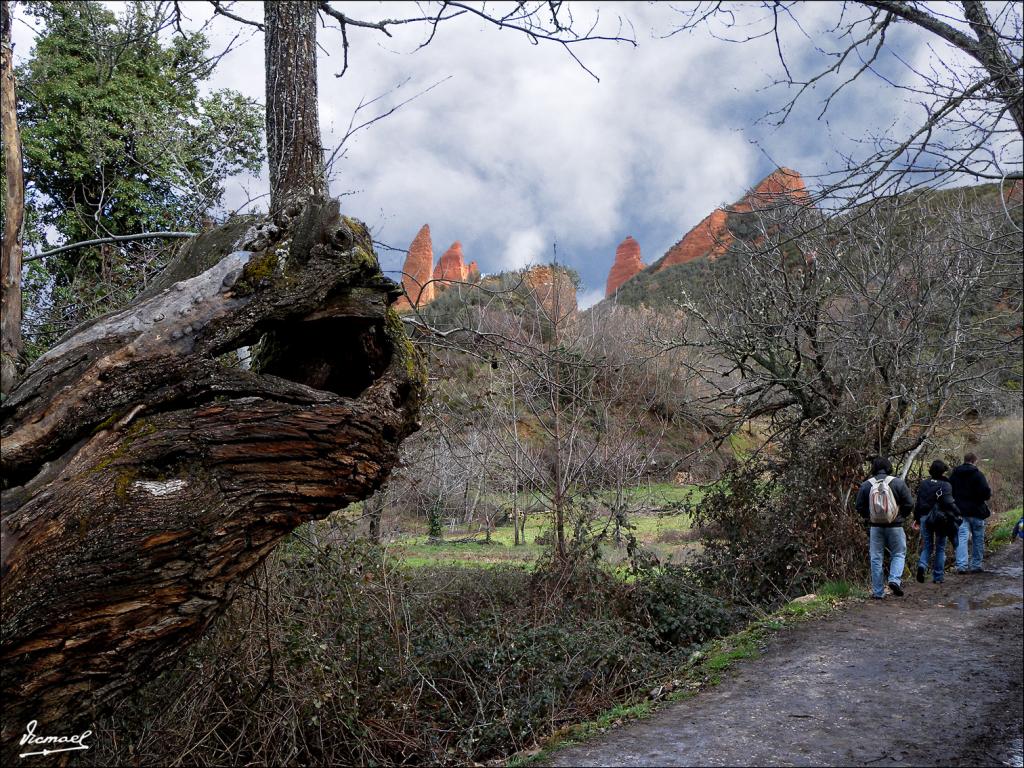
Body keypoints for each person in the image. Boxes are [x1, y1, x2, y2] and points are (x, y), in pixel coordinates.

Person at [856, 456, 915, 599]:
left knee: (876, 557)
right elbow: (909, 503)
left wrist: (869, 517)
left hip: (875, 526)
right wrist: (900, 515)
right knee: (899, 553)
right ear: (889, 467)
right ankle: (894, 580)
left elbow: (859, 506)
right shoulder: (897, 483)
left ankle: (877, 592)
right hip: (895, 526)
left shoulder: (866, 485)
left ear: (873, 468)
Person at [913, 460, 961, 584]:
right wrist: (958, 514)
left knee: (927, 546)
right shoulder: (946, 485)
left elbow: (918, 503)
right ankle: (938, 577)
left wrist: (916, 519)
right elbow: (949, 503)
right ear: (943, 471)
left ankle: (922, 566)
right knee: (940, 547)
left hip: (924, 518)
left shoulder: (924, 484)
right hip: (940, 519)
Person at [950, 452, 992, 573]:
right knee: (978, 538)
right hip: (977, 511)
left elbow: (949, 491)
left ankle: (961, 566)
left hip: (960, 512)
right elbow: (986, 492)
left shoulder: (954, 475)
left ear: (965, 460)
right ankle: (976, 565)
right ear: (974, 461)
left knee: (962, 538)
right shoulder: (978, 475)